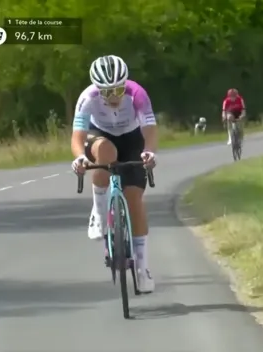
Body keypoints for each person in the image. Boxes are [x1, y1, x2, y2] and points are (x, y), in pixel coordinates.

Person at [71, 55, 157, 293]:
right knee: (106, 152)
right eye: (107, 92)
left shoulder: (137, 93)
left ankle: (142, 267)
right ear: (98, 89)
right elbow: (77, 136)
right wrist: (79, 157)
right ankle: (99, 214)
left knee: (134, 200)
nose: (114, 97)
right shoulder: (88, 97)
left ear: (125, 84)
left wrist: (149, 151)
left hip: (132, 138)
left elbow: (149, 128)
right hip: (99, 135)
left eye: (118, 89)